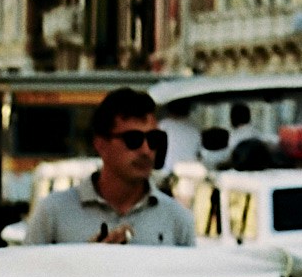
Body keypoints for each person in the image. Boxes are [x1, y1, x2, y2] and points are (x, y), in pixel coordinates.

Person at [23, 89, 195, 247]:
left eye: (154, 139)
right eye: (133, 139)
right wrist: (85, 260)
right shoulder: (53, 214)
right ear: (101, 144)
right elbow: (27, 276)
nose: (146, 150)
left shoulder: (178, 220)